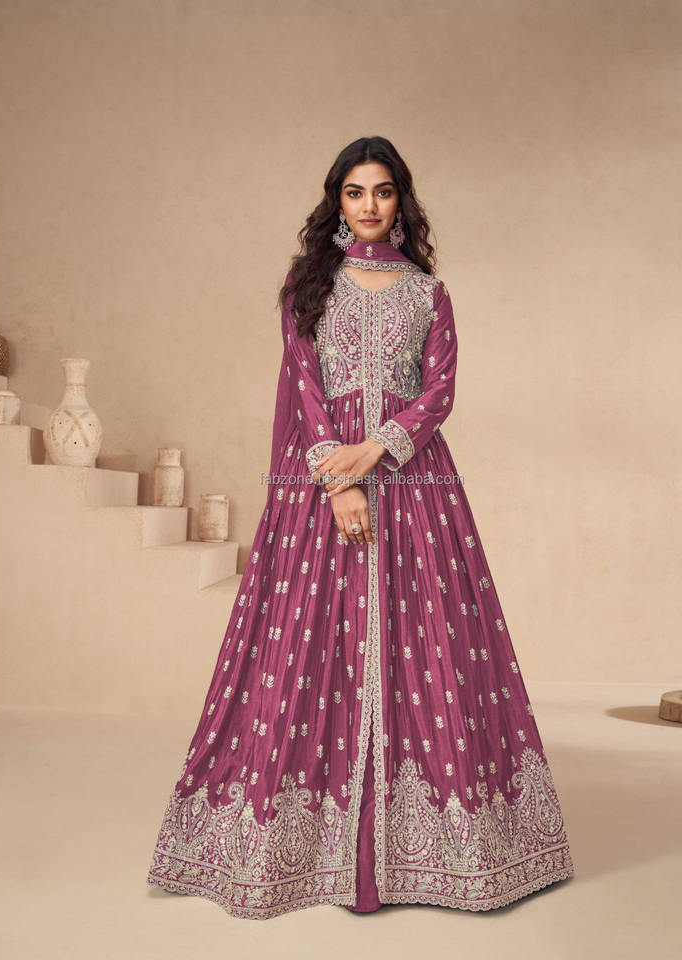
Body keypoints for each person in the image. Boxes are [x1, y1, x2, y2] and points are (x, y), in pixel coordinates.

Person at [145, 136, 575, 919]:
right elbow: (304, 386)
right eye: (354, 192)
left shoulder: (429, 293)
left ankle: (436, 849)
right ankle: (303, 845)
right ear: (337, 201)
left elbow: (440, 393)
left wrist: (374, 452)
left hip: (415, 486)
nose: (369, 205)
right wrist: (337, 482)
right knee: (308, 645)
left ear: (400, 199)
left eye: (382, 191)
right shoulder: (309, 285)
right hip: (320, 485)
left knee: (431, 643)